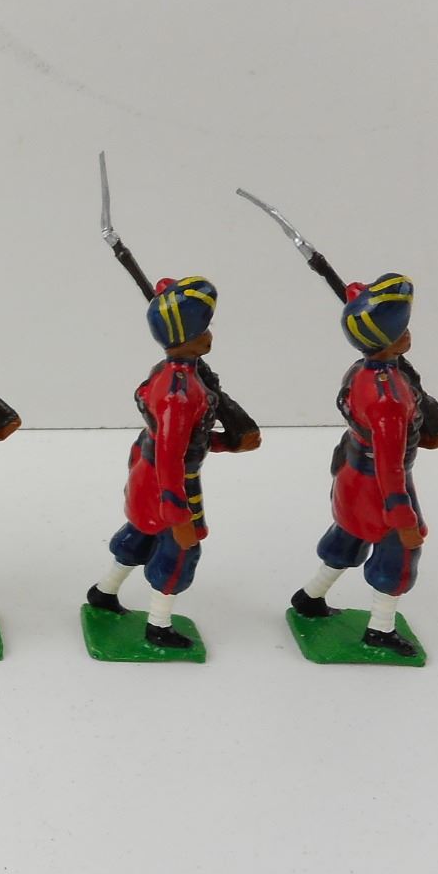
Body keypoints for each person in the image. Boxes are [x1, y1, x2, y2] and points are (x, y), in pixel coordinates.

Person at [85, 276, 258, 647]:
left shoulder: (177, 376)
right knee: (182, 551)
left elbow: (186, 440)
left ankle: (104, 591)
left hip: (150, 474)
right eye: (202, 330)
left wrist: (225, 443)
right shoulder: (179, 392)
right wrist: (179, 514)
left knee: (141, 532)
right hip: (171, 482)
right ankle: (158, 626)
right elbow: (171, 454)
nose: (209, 335)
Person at [289, 275, 438, 655]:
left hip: (352, 476)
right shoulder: (389, 397)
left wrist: (426, 433)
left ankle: (310, 596)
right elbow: (390, 459)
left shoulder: (361, 372)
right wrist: (402, 514)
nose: (407, 335)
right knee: (399, 551)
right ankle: (380, 629)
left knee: (349, 535)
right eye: (401, 331)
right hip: (382, 485)